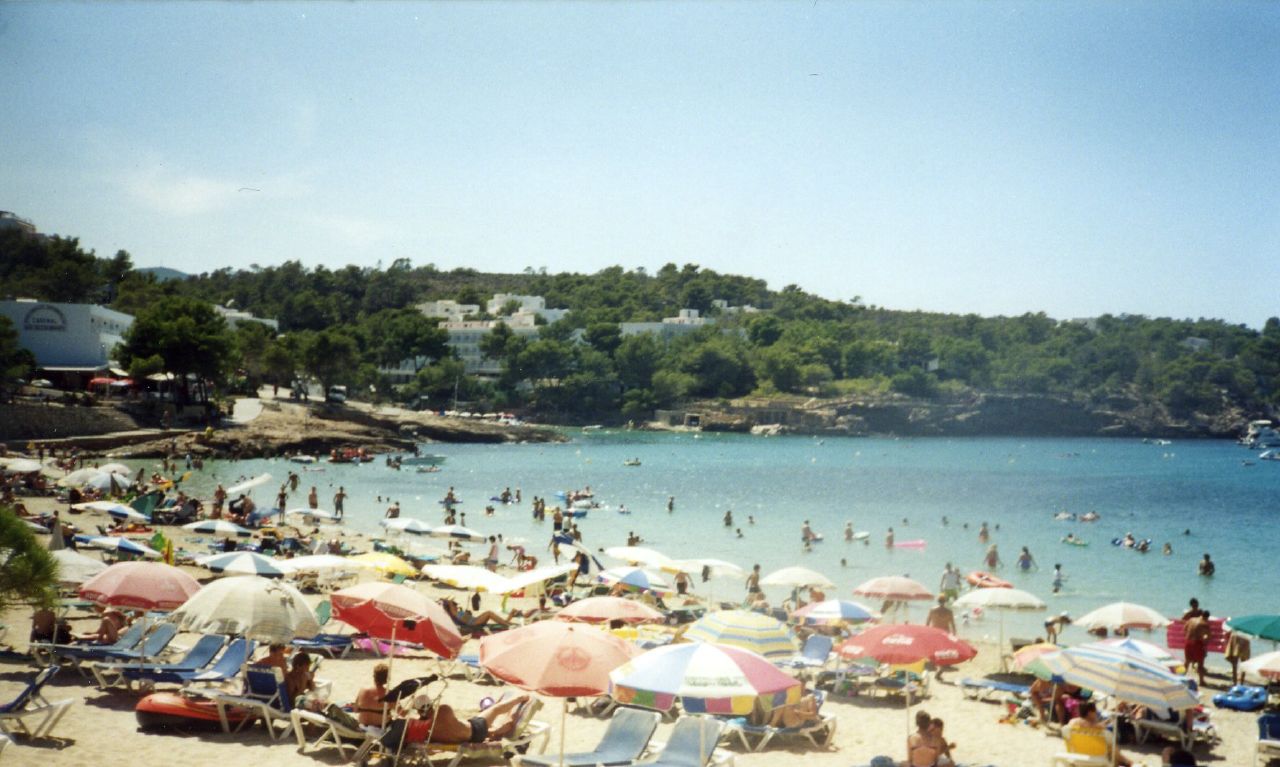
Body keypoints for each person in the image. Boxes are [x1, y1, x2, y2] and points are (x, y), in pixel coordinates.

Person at [380, 690, 531, 748]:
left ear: (419, 710)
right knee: (495, 709)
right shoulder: (443, 710)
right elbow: (449, 718)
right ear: (430, 704)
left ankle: (495, 732)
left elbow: (406, 716)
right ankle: (519, 699)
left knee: (488, 726)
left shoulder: (424, 726)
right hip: (476, 729)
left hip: (467, 738)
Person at [1068, 701, 1134, 766]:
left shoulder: (1072, 723)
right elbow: (1099, 727)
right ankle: (1127, 762)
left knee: (1111, 749)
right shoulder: (1096, 729)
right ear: (1090, 713)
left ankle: (1126, 761)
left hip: (1077, 756)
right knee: (1112, 748)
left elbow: (1084, 723)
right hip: (1096, 758)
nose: (1096, 713)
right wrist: (1096, 722)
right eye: (1095, 711)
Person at [1184, 610, 1212, 686]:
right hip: (1197, 643)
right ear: (1207, 617)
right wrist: (1205, 641)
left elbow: (1185, 629)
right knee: (1200, 663)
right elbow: (1208, 637)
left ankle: (1181, 677)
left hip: (1188, 642)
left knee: (1187, 661)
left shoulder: (1191, 619)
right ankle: (1201, 681)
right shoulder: (1205, 624)